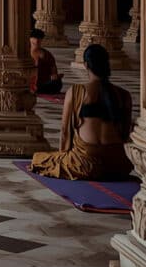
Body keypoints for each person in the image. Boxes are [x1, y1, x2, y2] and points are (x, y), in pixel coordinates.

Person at [29, 44, 134, 180]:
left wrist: (63, 156)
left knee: (39, 159)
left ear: (86, 65)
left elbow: (65, 131)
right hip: (117, 164)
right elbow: (125, 134)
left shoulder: (76, 92)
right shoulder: (124, 95)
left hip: (85, 163)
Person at [29, 28, 63, 94]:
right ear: (29, 39)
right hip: (28, 81)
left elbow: (54, 72)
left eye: (39, 38)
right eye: (34, 38)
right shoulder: (24, 53)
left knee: (57, 83)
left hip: (43, 82)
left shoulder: (47, 54)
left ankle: (37, 89)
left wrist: (55, 76)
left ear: (42, 39)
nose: (36, 40)